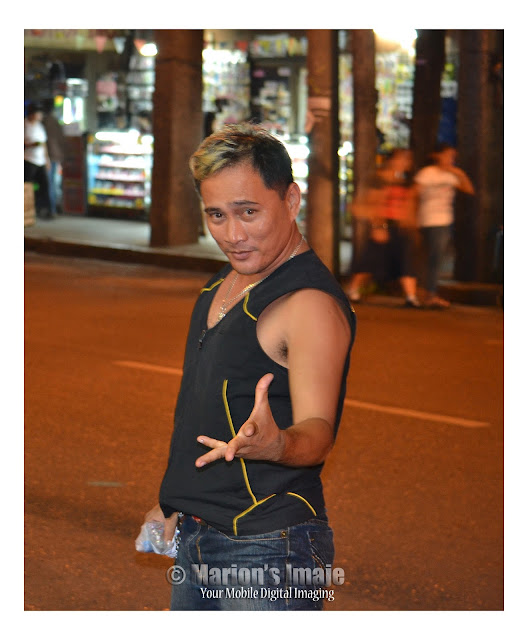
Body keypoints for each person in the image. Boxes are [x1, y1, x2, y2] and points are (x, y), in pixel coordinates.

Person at [143, 123, 356, 611]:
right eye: (216, 215)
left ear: (291, 200)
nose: (233, 235)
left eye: (249, 212)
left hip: (267, 547)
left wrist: (277, 443)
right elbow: (200, 412)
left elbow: (318, 431)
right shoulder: (226, 281)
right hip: (200, 532)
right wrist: (175, 501)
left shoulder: (307, 303)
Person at [346, 149, 421, 308]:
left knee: (406, 262)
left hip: (400, 227)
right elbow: (373, 204)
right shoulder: (379, 179)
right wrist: (378, 226)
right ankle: (353, 290)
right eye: (401, 159)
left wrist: (412, 227)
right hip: (384, 225)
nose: (405, 163)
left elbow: (409, 207)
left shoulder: (404, 182)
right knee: (370, 260)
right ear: (391, 160)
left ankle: (411, 296)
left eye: (407, 160)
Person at [414, 144, 475, 309]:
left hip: (444, 220)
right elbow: (414, 194)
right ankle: (427, 294)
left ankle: (429, 293)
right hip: (428, 219)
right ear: (437, 155)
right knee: (432, 258)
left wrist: (458, 173)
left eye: (453, 157)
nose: (451, 159)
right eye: (448, 155)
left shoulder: (451, 174)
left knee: (436, 258)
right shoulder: (427, 173)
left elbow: (469, 189)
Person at [24, 102, 52, 218]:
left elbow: (44, 144)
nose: (40, 115)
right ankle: (27, 211)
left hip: (40, 161)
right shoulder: (24, 125)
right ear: (32, 114)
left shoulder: (40, 126)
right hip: (28, 160)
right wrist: (31, 145)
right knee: (27, 186)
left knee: (44, 185)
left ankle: (43, 209)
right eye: (38, 113)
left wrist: (47, 159)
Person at [42, 98, 66, 216]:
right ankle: (55, 207)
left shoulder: (45, 121)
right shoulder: (55, 121)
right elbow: (61, 138)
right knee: (54, 182)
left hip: (48, 156)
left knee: (50, 183)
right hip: (56, 155)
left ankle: (51, 209)